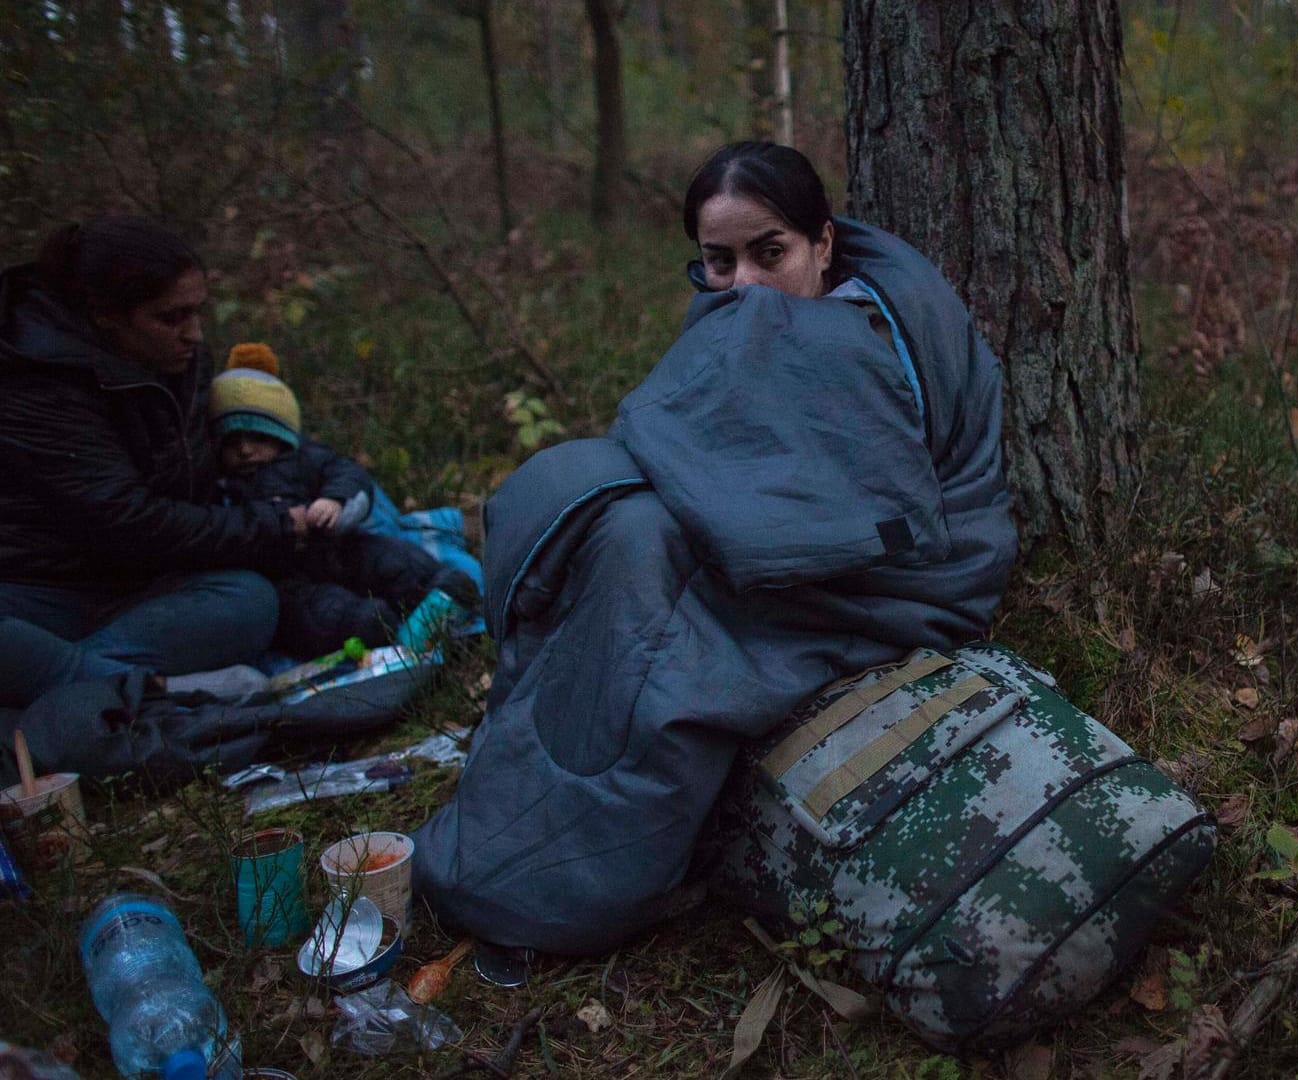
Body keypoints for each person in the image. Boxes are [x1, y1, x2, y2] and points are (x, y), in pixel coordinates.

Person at [413, 142, 1018, 955]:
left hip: (896, 581)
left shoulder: (856, 334)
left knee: (652, 597)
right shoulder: (766, 309)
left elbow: (850, 514)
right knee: (620, 541)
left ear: (824, 244)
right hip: (796, 552)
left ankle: (553, 887)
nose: (746, 287)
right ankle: (511, 842)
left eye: (771, 253)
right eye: (719, 261)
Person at [0, 217, 301, 707]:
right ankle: (132, 691)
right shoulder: (35, 380)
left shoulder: (175, 361)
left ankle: (60, 683)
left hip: (140, 591)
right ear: (106, 317)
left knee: (249, 600)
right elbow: (123, 519)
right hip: (39, 590)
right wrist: (266, 529)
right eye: (171, 318)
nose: (193, 334)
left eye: (196, 313)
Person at [209, 343, 478, 657]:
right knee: (324, 613)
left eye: (258, 438)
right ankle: (381, 630)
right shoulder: (222, 486)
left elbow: (347, 473)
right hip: (288, 580)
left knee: (393, 559)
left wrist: (335, 502)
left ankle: (445, 593)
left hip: (340, 546)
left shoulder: (305, 457)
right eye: (232, 442)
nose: (245, 450)